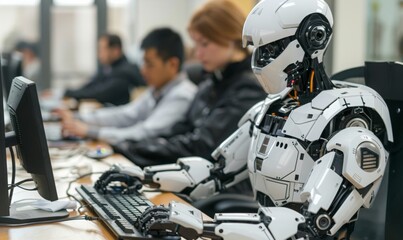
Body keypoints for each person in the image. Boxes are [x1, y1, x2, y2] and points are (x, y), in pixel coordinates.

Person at [97, 0, 393, 239]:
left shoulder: (350, 123)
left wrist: (204, 226)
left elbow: (311, 227)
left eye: (271, 49)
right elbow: (216, 173)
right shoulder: (270, 109)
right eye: (258, 50)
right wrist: (144, 177)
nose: (261, 59)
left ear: (312, 39)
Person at [114, 0, 267, 167]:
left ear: (230, 37)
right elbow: (180, 130)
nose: (198, 53)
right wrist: (132, 146)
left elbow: (203, 146)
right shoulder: (210, 83)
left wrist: (132, 149)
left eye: (205, 44)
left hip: (221, 188)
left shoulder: (249, 88)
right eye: (196, 44)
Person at [57, 28, 197, 144]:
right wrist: (79, 118)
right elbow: (127, 115)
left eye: (149, 64)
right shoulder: (158, 89)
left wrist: (90, 131)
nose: (143, 70)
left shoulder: (182, 95)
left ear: (172, 64)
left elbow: (145, 133)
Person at [64, 33, 145, 106]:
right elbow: (90, 85)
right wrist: (67, 93)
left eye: (102, 49)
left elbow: (100, 93)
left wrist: (69, 93)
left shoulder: (125, 72)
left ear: (116, 50)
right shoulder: (106, 68)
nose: (99, 54)